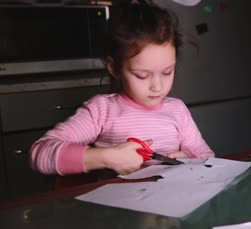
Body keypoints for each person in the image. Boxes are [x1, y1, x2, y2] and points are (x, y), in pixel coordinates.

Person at [30, 0, 214, 177]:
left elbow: (207, 157)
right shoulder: (102, 111)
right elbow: (41, 152)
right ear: (114, 67)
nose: (157, 87)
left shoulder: (177, 110)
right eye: (142, 75)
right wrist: (106, 158)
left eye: (167, 72)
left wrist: (190, 160)